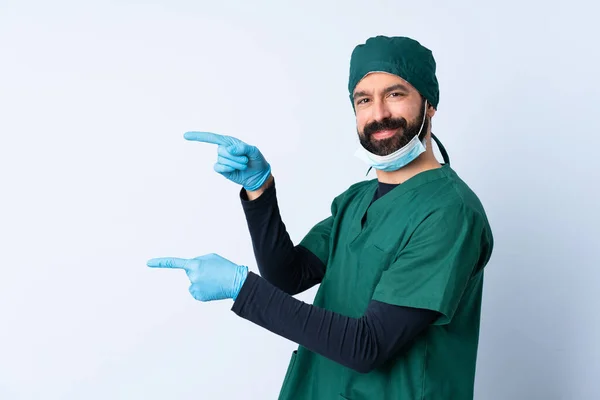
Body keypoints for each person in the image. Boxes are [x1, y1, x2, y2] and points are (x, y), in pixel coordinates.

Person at [147, 35, 494, 400]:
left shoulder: (449, 214)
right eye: (364, 100)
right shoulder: (356, 200)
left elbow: (368, 345)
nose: (378, 114)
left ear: (429, 103)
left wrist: (241, 288)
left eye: (395, 94)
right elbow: (288, 275)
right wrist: (259, 190)